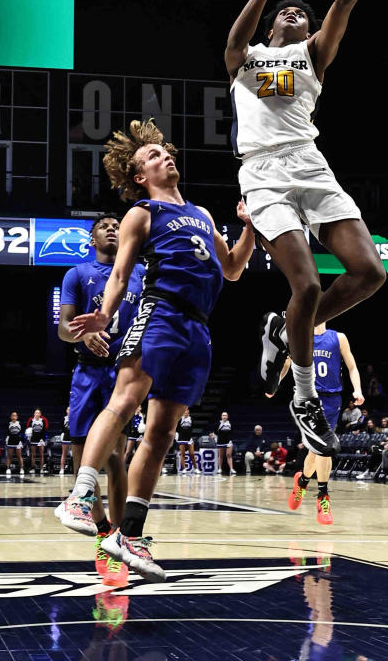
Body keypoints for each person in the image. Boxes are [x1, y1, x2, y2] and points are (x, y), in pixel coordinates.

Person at [223, 0, 388, 456]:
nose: (294, 14)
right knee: (308, 282)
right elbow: (236, 36)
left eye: (300, 12)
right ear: (272, 24)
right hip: (263, 171)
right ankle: (302, 395)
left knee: (370, 273)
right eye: (286, 12)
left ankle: (280, 327)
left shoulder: (313, 54)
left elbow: (344, 0)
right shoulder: (248, 57)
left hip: (310, 164)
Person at [57, 118, 255, 581]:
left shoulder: (204, 215)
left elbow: (232, 270)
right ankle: (81, 496)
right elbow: (122, 275)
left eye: (164, 151)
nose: (165, 155)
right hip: (161, 312)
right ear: (140, 177)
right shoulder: (141, 213)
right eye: (151, 156)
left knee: (163, 432)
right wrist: (105, 314)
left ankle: (129, 533)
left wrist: (250, 228)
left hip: (199, 329)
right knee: (125, 400)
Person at [57, 213, 144, 568]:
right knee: (82, 459)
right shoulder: (77, 274)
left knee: (114, 458)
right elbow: (63, 327)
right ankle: (102, 528)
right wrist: (82, 333)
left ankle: (119, 536)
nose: (112, 228)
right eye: (104, 227)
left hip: (122, 373)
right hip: (87, 373)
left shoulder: (140, 273)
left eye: (116, 225)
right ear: (92, 240)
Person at [275, 320, 363, 523]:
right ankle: (323, 496)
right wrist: (276, 383)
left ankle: (303, 482)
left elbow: (352, 366)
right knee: (323, 448)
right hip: (308, 398)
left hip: (332, 399)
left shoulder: (338, 337)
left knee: (319, 450)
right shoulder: (300, 337)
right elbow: (287, 363)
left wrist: (357, 389)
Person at [213, 411, 235, 475]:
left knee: (229, 455)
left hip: (228, 442)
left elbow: (232, 432)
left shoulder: (230, 423)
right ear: (221, 417)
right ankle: (220, 469)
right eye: (223, 415)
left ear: (227, 417)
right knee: (221, 456)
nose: (224, 416)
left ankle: (231, 469)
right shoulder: (218, 424)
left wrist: (230, 439)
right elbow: (215, 432)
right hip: (220, 442)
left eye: (225, 415)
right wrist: (216, 439)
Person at [27, 409, 48, 475]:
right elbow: (29, 430)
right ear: (34, 414)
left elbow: (44, 430)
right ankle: (33, 468)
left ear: (40, 414)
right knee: (33, 455)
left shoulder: (42, 421)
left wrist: (42, 439)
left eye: (38, 413)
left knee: (41, 455)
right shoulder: (31, 421)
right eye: (36, 413)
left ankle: (42, 469)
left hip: (40, 439)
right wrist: (29, 437)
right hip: (33, 439)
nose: (37, 414)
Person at [4, 411, 24, 477]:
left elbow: (22, 433)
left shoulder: (20, 423)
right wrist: (7, 439)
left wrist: (21, 440)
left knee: (19, 456)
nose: (14, 417)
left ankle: (21, 469)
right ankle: (8, 468)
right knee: (10, 456)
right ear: (11, 417)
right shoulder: (8, 424)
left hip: (18, 441)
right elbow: (7, 433)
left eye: (15, 415)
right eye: (13, 415)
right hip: (11, 441)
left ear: (17, 417)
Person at [57, 406, 72, 475]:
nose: (69, 410)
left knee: (74, 454)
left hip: (73, 438)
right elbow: (62, 427)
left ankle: (75, 468)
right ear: (66, 411)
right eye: (68, 409)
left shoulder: (74, 418)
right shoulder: (64, 419)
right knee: (64, 453)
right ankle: (62, 468)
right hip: (66, 438)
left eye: (70, 409)